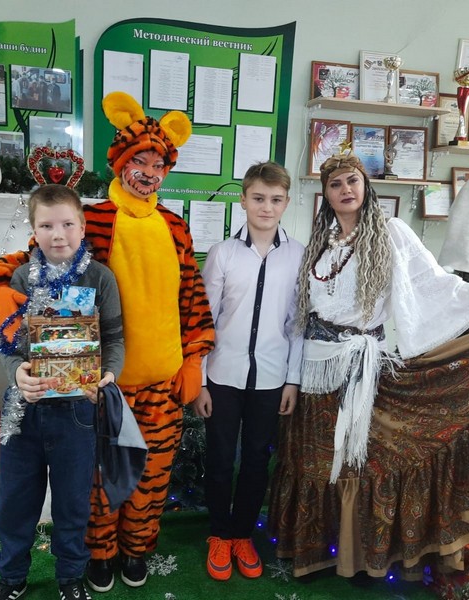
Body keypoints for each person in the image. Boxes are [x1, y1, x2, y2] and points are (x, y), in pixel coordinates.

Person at [268, 149, 469, 580]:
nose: (345, 190)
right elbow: (302, 315)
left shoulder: (391, 233)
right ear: (325, 194)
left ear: (365, 187)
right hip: (315, 370)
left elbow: (440, 284)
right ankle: (314, 550)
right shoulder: (320, 243)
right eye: (335, 184)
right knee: (315, 459)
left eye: (352, 181)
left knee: (357, 461)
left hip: (362, 367)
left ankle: (357, 554)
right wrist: (292, 378)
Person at [0, 91, 214, 593]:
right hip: (103, 385)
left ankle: (136, 550)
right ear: (120, 163)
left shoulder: (176, 227)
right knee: (98, 481)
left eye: (158, 164)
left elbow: (191, 293)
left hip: (163, 381)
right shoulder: (95, 219)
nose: (149, 172)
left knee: (151, 477)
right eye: (139, 161)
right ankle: (99, 555)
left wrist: (195, 358)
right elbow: (36, 258)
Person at [0, 184, 125, 600]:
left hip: (76, 413)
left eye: (67, 224)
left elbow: (115, 339)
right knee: (14, 504)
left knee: (72, 505)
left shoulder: (100, 278)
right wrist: (17, 375)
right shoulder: (19, 278)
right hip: (24, 410)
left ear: (82, 227)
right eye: (46, 226)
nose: (58, 234)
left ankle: (70, 577)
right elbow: (8, 344)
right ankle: (12, 576)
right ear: (34, 230)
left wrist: (108, 375)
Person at [193, 161, 304, 582]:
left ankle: (242, 535)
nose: (266, 207)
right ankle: (219, 534)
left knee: (257, 459)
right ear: (243, 200)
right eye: (258, 198)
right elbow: (205, 320)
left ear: (286, 203)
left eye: (275, 199)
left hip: (271, 378)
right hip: (223, 376)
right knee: (221, 458)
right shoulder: (223, 253)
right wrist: (201, 381)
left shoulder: (298, 255)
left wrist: (292, 379)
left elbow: (298, 323)